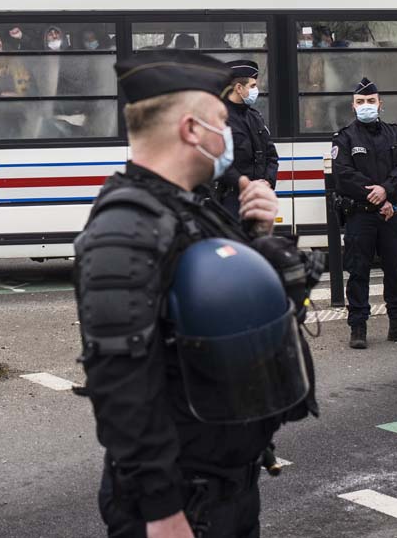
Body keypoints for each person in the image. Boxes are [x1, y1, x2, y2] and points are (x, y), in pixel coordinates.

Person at [75, 50, 320, 538]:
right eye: (220, 122)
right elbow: (120, 384)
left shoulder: (189, 209)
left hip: (225, 487)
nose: (228, 135)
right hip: (185, 501)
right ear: (191, 130)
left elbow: (231, 317)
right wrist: (162, 512)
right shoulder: (127, 226)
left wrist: (256, 235)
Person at [332, 77, 397, 349]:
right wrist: (376, 197)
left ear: (380, 104)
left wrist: (386, 191)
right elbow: (344, 175)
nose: (366, 106)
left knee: (396, 270)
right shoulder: (344, 138)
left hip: (390, 214)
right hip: (361, 216)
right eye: (361, 102)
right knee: (358, 272)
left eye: (371, 101)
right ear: (353, 107)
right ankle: (358, 328)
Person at [215, 60, 278, 218]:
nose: (256, 90)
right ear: (238, 88)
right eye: (252, 86)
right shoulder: (220, 118)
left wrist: (267, 181)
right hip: (232, 200)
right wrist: (245, 184)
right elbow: (219, 162)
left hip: (258, 199)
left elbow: (271, 155)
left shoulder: (254, 117)